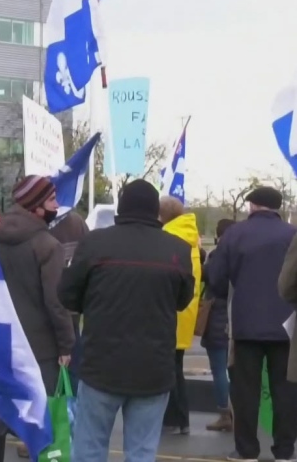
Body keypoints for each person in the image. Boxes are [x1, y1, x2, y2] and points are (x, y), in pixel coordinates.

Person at [58, 179, 194, 462]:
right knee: (141, 452)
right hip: (154, 368)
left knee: (89, 449)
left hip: (101, 365)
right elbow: (182, 300)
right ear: (155, 210)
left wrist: (93, 304)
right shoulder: (177, 250)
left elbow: (67, 294)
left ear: (121, 207)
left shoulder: (95, 243)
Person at [0, 175, 74, 462]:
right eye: (51, 200)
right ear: (36, 207)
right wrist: (66, 345)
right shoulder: (47, 245)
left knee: (0, 411)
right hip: (41, 346)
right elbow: (55, 301)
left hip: (2, 341)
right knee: (42, 416)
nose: (56, 205)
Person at [207, 186, 297, 462]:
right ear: (277, 207)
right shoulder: (292, 234)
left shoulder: (235, 234)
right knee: (286, 390)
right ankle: (284, 451)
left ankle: (246, 450)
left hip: (246, 324)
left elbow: (216, 277)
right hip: (288, 325)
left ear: (252, 206)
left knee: (245, 390)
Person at [157, 197, 202, 435]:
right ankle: (181, 419)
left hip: (169, 313)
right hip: (185, 312)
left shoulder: (168, 239)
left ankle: (173, 419)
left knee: (168, 370)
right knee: (176, 368)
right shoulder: (191, 239)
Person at [204, 219, 235, 432]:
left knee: (219, 368)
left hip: (218, 314)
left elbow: (214, 281)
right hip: (240, 314)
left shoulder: (218, 256)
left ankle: (225, 413)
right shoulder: (246, 253)